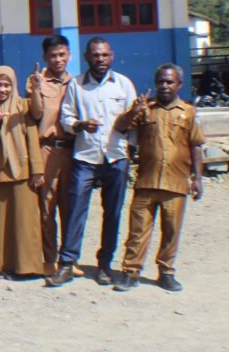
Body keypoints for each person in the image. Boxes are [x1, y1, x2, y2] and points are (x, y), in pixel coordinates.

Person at [48, 38, 137, 287]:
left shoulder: (124, 85)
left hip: (115, 158)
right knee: (75, 211)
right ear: (86, 57)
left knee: (113, 213)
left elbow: (135, 119)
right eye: (95, 55)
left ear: (112, 56)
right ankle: (66, 264)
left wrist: (129, 144)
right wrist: (79, 125)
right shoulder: (76, 85)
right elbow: (66, 116)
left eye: (105, 55)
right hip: (85, 157)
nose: (100, 59)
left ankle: (105, 264)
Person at [114, 64, 205, 293]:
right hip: (146, 182)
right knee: (137, 231)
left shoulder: (189, 112)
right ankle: (130, 272)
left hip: (176, 184)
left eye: (170, 82)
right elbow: (121, 127)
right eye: (161, 82)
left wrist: (198, 178)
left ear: (179, 85)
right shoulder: (146, 110)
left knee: (171, 230)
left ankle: (166, 272)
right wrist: (134, 110)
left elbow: (196, 146)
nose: (164, 86)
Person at [0, 66, 45, 279]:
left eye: (7, 85)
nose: (2, 89)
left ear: (14, 86)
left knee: (25, 221)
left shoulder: (23, 105)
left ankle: (28, 267)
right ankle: (2, 265)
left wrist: (37, 170)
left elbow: (32, 134)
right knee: (2, 223)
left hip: (22, 170)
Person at [26, 34, 76, 277]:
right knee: (46, 208)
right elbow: (35, 115)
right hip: (46, 148)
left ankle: (68, 260)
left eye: (62, 55)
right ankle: (49, 258)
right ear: (45, 57)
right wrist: (36, 89)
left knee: (70, 207)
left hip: (72, 151)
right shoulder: (36, 81)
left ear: (69, 56)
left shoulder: (76, 83)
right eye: (53, 56)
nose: (58, 60)